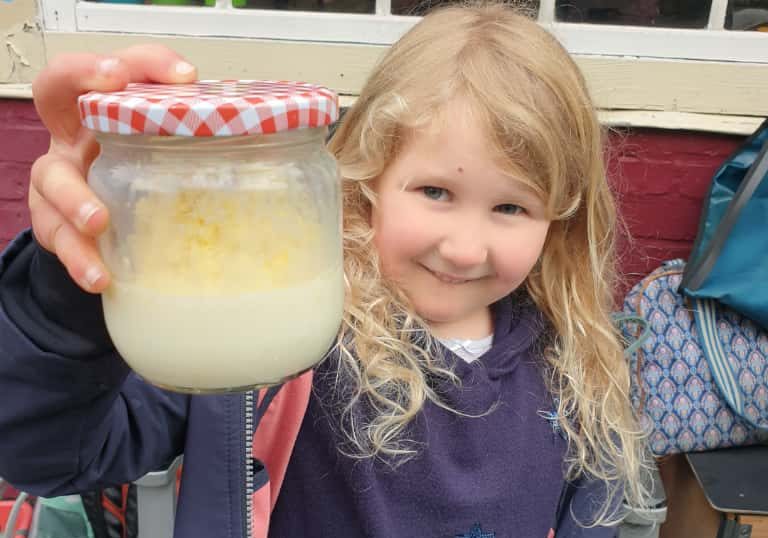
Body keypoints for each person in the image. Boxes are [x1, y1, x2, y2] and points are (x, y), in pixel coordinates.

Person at [0, 3, 650, 537]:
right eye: (435, 192)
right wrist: (70, 283)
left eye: (511, 207)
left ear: (559, 222)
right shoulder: (273, 332)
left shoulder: (581, 366)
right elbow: (46, 453)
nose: (463, 248)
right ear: (369, 178)